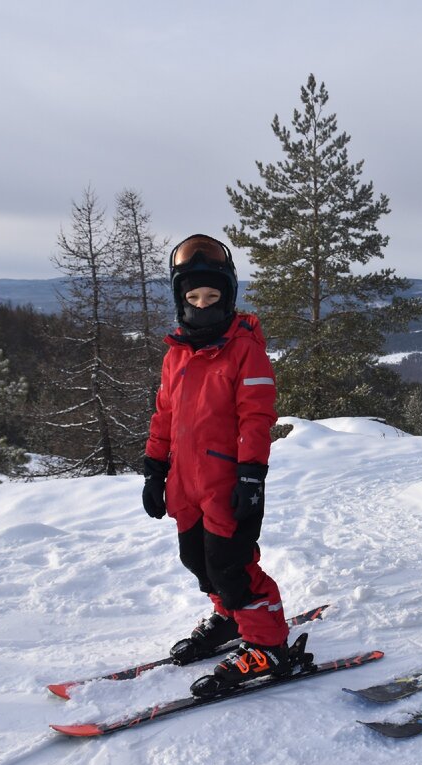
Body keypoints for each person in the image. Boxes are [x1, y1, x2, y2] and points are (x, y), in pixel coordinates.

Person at [142, 233, 301, 695]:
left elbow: (257, 416)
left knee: (231, 565)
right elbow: (164, 416)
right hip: (185, 483)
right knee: (196, 558)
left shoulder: (244, 350)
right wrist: (154, 469)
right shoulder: (177, 355)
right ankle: (229, 618)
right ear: (180, 300)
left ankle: (268, 644)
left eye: (212, 297)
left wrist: (252, 474)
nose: (202, 305)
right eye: (192, 297)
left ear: (228, 297)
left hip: (228, 480)